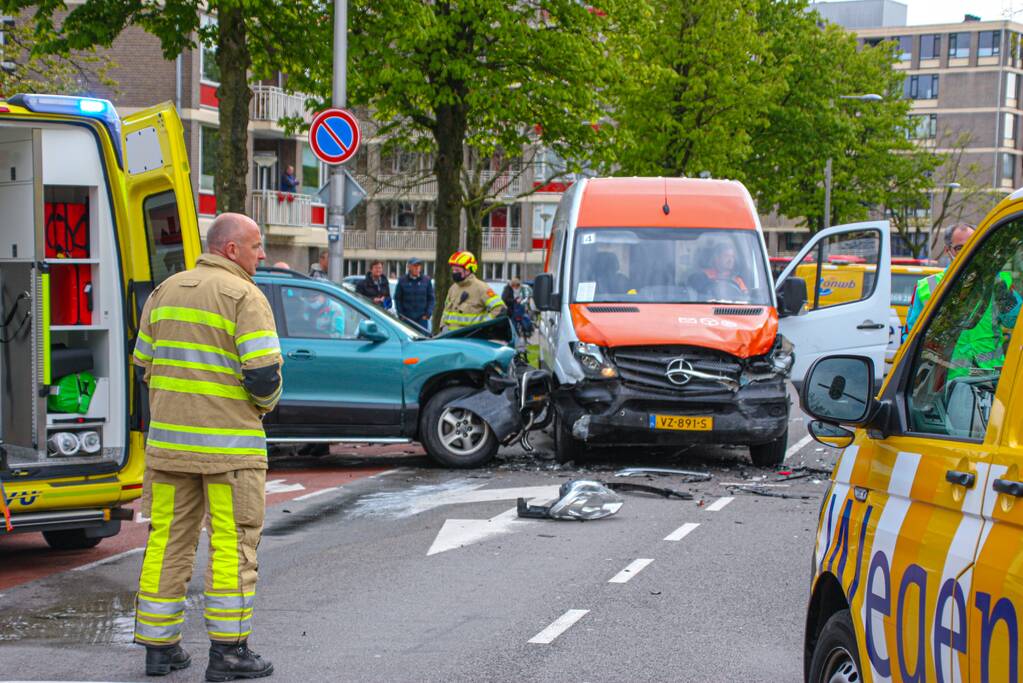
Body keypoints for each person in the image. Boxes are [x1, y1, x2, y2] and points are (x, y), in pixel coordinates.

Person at [131, 213, 281, 680]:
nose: (263, 255)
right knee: (232, 546)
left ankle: (161, 650)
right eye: (257, 246)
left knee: (166, 544)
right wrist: (262, 408)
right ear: (231, 249)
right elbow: (263, 376)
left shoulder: (164, 291)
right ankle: (229, 654)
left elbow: (143, 366)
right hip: (229, 454)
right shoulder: (245, 296)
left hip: (169, 449)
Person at [904, 224, 974, 339]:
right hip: (944, 357)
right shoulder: (926, 286)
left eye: (972, 245)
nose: (967, 252)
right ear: (947, 250)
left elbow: (1011, 322)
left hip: (991, 358)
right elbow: (910, 335)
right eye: (959, 248)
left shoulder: (996, 281)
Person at [440, 251, 506, 331]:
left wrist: (482, 326)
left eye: (457, 270)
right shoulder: (453, 288)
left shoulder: (481, 288)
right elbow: (446, 310)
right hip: (451, 338)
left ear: (467, 270)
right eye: (453, 270)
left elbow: (499, 308)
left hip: (470, 339)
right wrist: (443, 327)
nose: (454, 273)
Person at [394, 257, 435, 332]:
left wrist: (428, 313)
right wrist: (401, 314)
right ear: (409, 267)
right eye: (414, 266)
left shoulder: (426, 280)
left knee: (422, 341)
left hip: (422, 319)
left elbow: (431, 299)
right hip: (407, 319)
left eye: (418, 266)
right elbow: (397, 299)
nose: (417, 268)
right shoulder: (402, 281)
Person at [501, 277, 533, 342]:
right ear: (514, 284)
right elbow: (505, 299)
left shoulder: (509, 289)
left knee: (514, 325)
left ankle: (515, 339)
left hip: (511, 310)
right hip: (509, 310)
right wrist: (515, 301)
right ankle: (514, 340)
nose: (516, 288)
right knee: (513, 326)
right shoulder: (507, 289)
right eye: (516, 286)